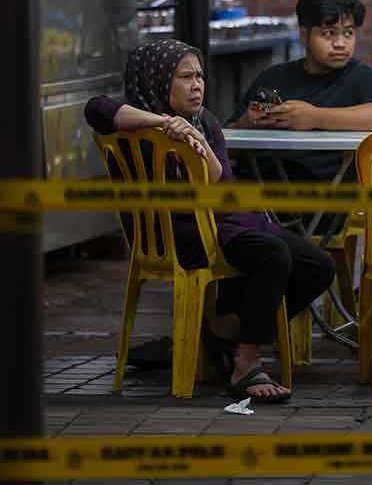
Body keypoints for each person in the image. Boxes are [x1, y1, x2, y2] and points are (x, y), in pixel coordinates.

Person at [85, 40, 335, 403]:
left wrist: (195, 138)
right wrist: (164, 123)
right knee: (273, 255)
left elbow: (218, 182)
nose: (197, 84)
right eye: (185, 76)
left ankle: (223, 331)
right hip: (182, 233)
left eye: (199, 75)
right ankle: (246, 363)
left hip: (223, 222)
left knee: (317, 265)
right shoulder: (129, 127)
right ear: (157, 81)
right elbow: (96, 107)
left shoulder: (205, 122)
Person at [228, 0, 372, 181]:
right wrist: (250, 122)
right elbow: (228, 146)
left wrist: (314, 117)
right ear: (304, 34)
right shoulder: (272, 78)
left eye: (348, 33)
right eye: (329, 33)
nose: (340, 44)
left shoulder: (364, 78)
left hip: (328, 198)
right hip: (262, 192)